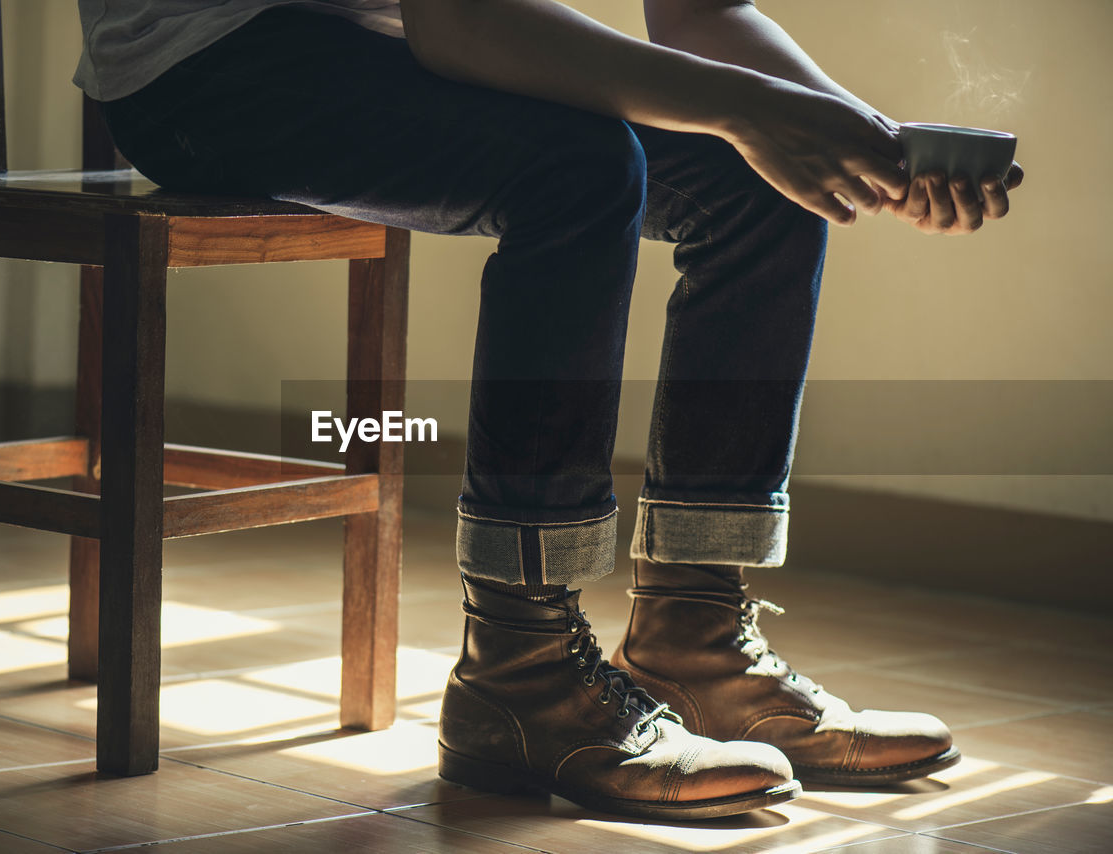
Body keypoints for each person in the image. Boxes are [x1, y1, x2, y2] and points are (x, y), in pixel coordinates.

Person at [75, 0, 1024, 820]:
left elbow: (703, 15)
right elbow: (468, 26)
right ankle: (518, 670)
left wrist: (854, 133)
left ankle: (694, 642)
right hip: (203, 66)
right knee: (578, 167)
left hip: (389, 44)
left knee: (757, 182)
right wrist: (753, 108)